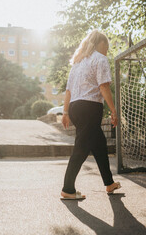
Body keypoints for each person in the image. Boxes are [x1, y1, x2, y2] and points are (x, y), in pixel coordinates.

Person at [60, 30, 121, 200]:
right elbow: (104, 87)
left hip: (75, 107)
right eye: (106, 46)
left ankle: (109, 183)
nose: (107, 50)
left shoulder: (78, 63)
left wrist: (65, 112)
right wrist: (114, 112)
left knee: (99, 144)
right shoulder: (100, 59)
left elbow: (68, 91)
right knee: (81, 147)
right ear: (101, 43)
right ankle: (68, 188)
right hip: (89, 108)